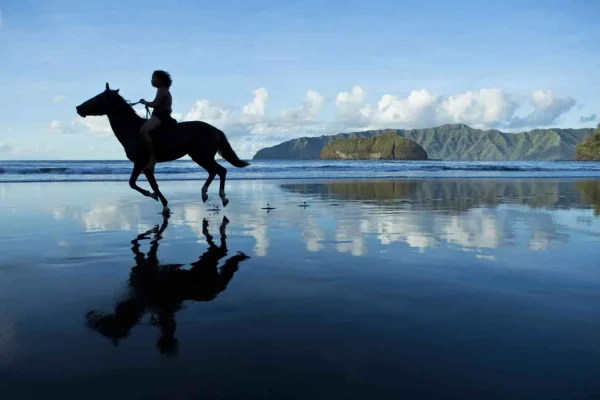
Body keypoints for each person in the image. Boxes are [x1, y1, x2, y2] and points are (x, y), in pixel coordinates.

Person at [139, 70, 174, 171]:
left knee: (143, 131)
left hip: (160, 116)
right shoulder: (162, 90)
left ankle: (152, 159)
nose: (151, 80)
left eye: (153, 77)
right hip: (160, 115)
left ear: (160, 80)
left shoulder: (162, 90)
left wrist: (144, 102)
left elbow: (155, 104)